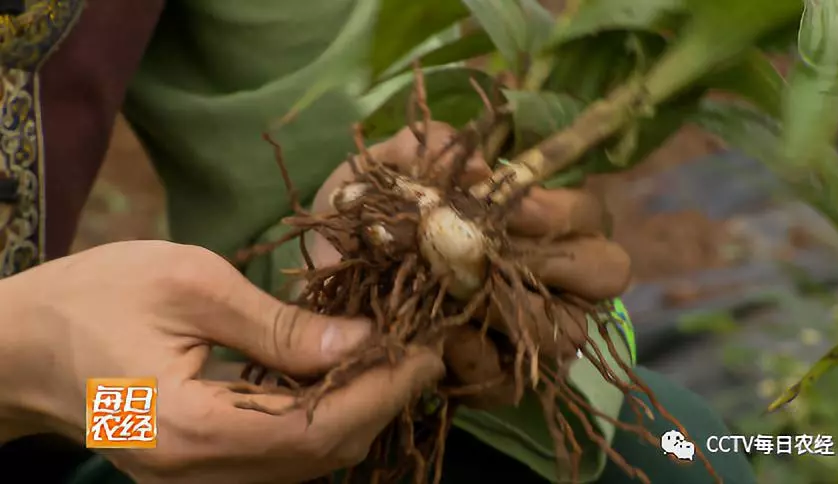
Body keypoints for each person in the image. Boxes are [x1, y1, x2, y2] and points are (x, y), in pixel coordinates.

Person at [0, 1, 756, 483]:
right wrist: (26, 367)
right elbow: (64, 396)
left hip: (66, 413)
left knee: (672, 454)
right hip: (67, 411)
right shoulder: (90, 397)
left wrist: (345, 238)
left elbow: (289, 170)